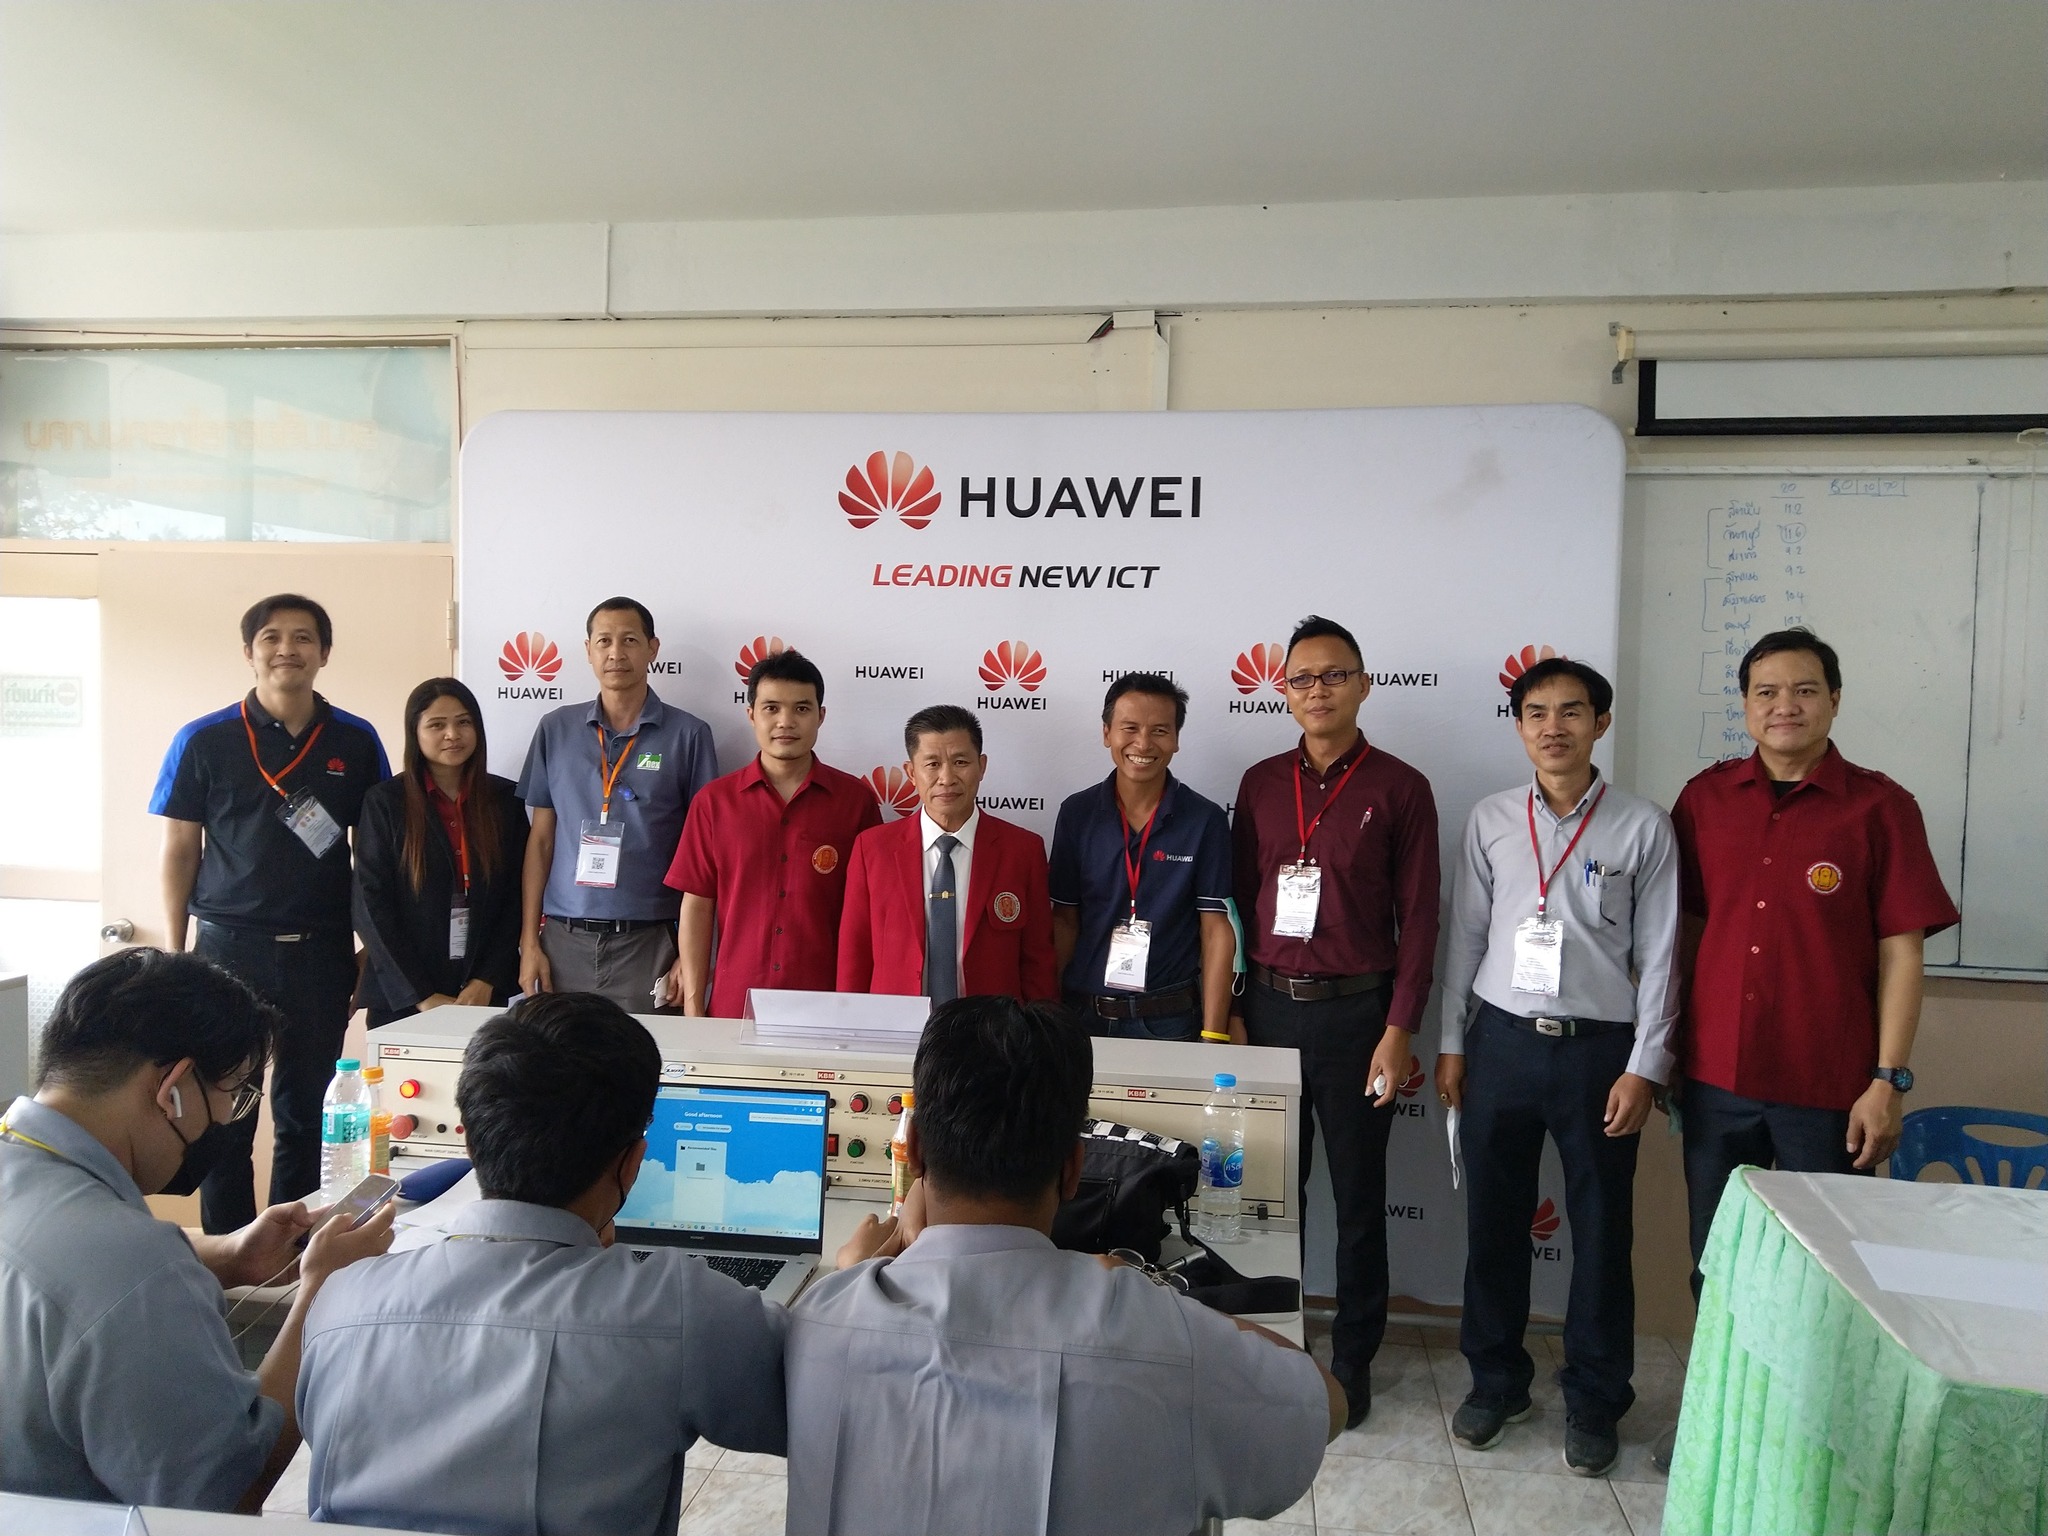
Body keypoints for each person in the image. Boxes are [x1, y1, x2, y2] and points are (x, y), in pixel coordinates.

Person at [788, 995, 1341, 1536]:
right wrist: (1160, 1302)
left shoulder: (818, 1322)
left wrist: (854, 1275)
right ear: (1074, 1169)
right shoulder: (1161, 1339)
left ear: (915, 1152)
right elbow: (1325, 1404)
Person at [296, 992, 788, 1534]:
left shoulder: (340, 1301)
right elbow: (828, 1400)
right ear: (632, 1163)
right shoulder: (677, 1307)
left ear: (472, 1141)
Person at [0, 948, 393, 1512]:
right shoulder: (137, 1268)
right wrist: (323, 1291)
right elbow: (225, 1495)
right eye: (233, 1095)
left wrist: (227, 1254)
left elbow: (54, 1265)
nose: (229, 1118)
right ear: (175, 1088)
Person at [1435, 658, 1680, 1478]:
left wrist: (1646, 1067)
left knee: (1602, 1232)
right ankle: (1496, 1381)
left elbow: (1662, 956)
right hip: (1502, 1042)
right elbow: (1465, 939)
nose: (1554, 727)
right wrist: (1453, 1041)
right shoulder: (1491, 818)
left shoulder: (1643, 827)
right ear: (1518, 726)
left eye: (1572, 711)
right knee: (1493, 1226)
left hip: (1598, 1053)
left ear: (1600, 724)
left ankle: (1595, 1399)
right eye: (1536, 712)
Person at [1670, 627, 1957, 1285]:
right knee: (1717, 1263)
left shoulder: (1881, 809)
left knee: (1828, 1276)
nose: (1785, 706)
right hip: (1715, 1079)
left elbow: (1902, 956)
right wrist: (1670, 1052)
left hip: (1831, 1089)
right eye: (1766, 692)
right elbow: (1682, 936)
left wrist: (1888, 1080)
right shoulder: (1705, 801)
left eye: (1804, 691)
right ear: (1746, 705)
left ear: (1834, 700)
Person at [1228, 614, 1440, 1425]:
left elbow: (1420, 918)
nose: (1318, 690)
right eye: (1302, 678)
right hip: (1268, 1012)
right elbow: (1236, 906)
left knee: (1357, 1200)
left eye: (1334, 675)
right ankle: (1276, 1348)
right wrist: (1235, 1012)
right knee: (1273, 1197)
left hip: (1359, 1020)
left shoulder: (1401, 787)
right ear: (1283, 691)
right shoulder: (1258, 783)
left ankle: (1352, 1361)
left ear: (1363, 684)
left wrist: (1400, 1027)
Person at [151, 592, 390, 1232]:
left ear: (325, 653)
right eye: (272, 638)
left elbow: (373, 855)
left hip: (320, 953)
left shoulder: (356, 740)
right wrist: (177, 951)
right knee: (225, 1115)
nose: (288, 649)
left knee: (307, 1116)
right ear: (249, 652)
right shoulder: (203, 739)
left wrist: (370, 949)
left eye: (303, 637)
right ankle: (231, 1255)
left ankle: (292, 1254)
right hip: (228, 952)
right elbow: (180, 848)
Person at [515, 597, 717, 1014]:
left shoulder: (689, 735)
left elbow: (703, 856)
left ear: (653, 649)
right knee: (559, 1053)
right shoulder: (555, 729)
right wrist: (530, 941)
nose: (615, 653)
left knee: (650, 1055)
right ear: (588, 650)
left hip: (651, 944)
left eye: (629, 640)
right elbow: (541, 842)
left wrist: (690, 955)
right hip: (563, 943)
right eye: (604, 641)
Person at [662, 649, 882, 1016]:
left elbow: (871, 914)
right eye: (771, 708)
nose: (786, 722)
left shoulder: (855, 802)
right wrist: (694, 1007)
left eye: (801, 708)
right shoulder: (714, 803)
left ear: (821, 716)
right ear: (751, 714)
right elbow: (697, 905)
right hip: (734, 1005)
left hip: (828, 1005)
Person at [1049, 672, 1236, 1042]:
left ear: (1176, 739)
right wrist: (1048, 1014)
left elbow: (1216, 930)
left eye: (1160, 731)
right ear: (1107, 733)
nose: (1144, 743)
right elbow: (1064, 922)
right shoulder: (1077, 813)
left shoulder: (1205, 820)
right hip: (1083, 1014)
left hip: (1169, 1019)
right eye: (1130, 728)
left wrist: (1214, 1034)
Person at [837, 704, 1058, 1003]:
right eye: (932, 764)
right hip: (896, 1024)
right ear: (911, 772)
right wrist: (852, 1021)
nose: (947, 777)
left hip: (992, 1026)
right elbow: (855, 954)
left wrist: (1040, 1025)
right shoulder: (872, 849)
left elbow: (1038, 960)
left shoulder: (1022, 850)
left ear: (982, 766)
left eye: (960, 762)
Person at [352, 678, 530, 1026]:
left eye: (463, 722)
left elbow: (516, 898)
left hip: (481, 994)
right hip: (404, 998)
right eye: (437, 725)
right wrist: (420, 995)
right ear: (415, 733)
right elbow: (371, 903)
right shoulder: (386, 802)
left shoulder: (504, 800)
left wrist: (486, 980)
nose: (452, 734)